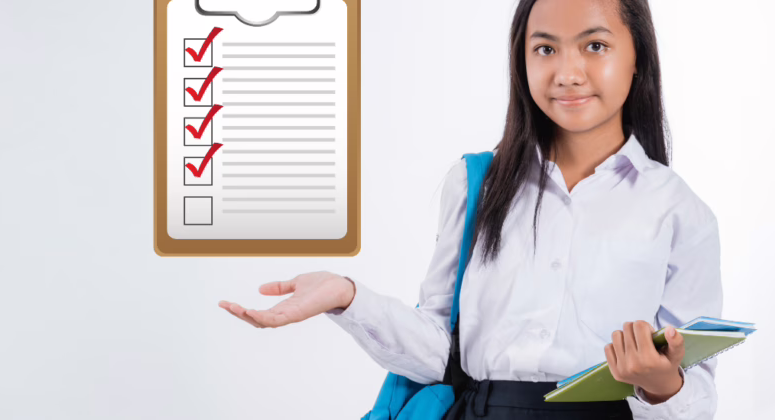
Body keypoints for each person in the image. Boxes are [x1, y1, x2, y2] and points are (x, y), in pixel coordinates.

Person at [219, 0, 723, 418]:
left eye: (595, 45)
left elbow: (699, 398)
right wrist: (347, 297)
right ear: (521, 61)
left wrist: (662, 385)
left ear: (638, 57)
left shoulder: (680, 212)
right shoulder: (479, 183)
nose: (568, 73)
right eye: (545, 48)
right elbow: (438, 353)